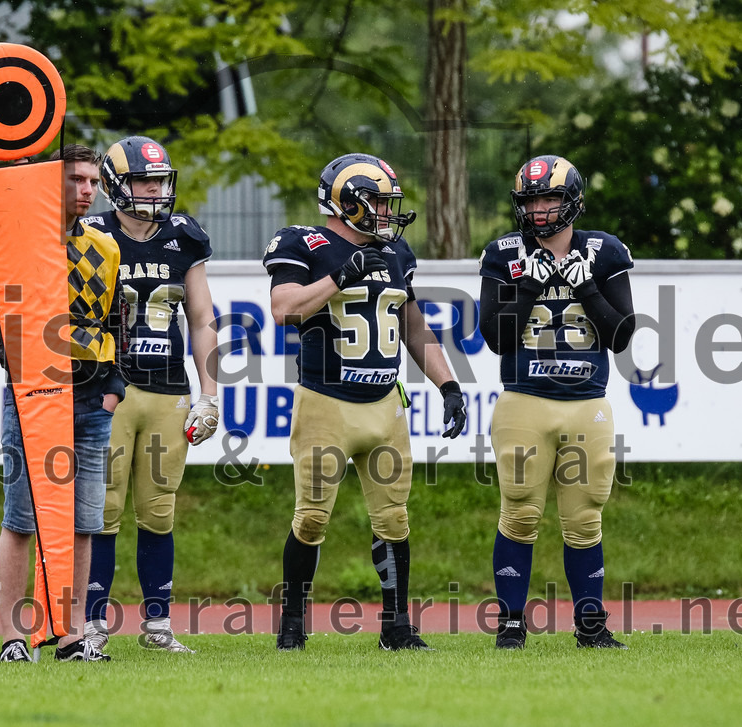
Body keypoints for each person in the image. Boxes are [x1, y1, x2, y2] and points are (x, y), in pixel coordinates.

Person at [262, 152, 467, 651]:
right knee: (311, 518)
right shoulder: (304, 243)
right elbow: (283, 310)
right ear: (347, 202)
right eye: (377, 201)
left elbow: (413, 325)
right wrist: (340, 276)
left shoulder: (396, 252)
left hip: (384, 402)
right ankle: (292, 622)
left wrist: (449, 385)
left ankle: (396, 626)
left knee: (394, 518)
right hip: (325, 401)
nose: (386, 212)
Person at [0, 144, 125, 662]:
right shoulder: (9, 238)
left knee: (84, 522)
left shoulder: (105, 246)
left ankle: (73, 636)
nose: (87, 191)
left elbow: (117, 322)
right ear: (50, 182)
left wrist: (115, 387)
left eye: (93, 182)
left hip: (92, 400)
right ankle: (14, 639)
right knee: (21, 519)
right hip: (31, 394)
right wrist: (25, 294)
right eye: (75, 179)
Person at [478, 154, 636, 650]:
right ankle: (510, 623)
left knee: (585, 517)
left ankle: (591, 624)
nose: (540, 209)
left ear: (572, 201)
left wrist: (584, 285)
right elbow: (496, 338)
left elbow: (621, 335)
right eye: (531, 200)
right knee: (520, 513)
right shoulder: (504, 253)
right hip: (524, 400)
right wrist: (529, 283)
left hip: (587, 401)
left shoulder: (604, 251)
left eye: (549, 198)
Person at [80, 136, 219, 654]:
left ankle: (158, 625)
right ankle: (90, 623)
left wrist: (209, 393)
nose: (155, 190)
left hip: (168, 389)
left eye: (160, 180)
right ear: (116, 186)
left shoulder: (184, 236)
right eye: (144, 181)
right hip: (109, 388)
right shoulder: (91, 235)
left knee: (159, 509)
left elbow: (202, 318)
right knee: (102, 509)